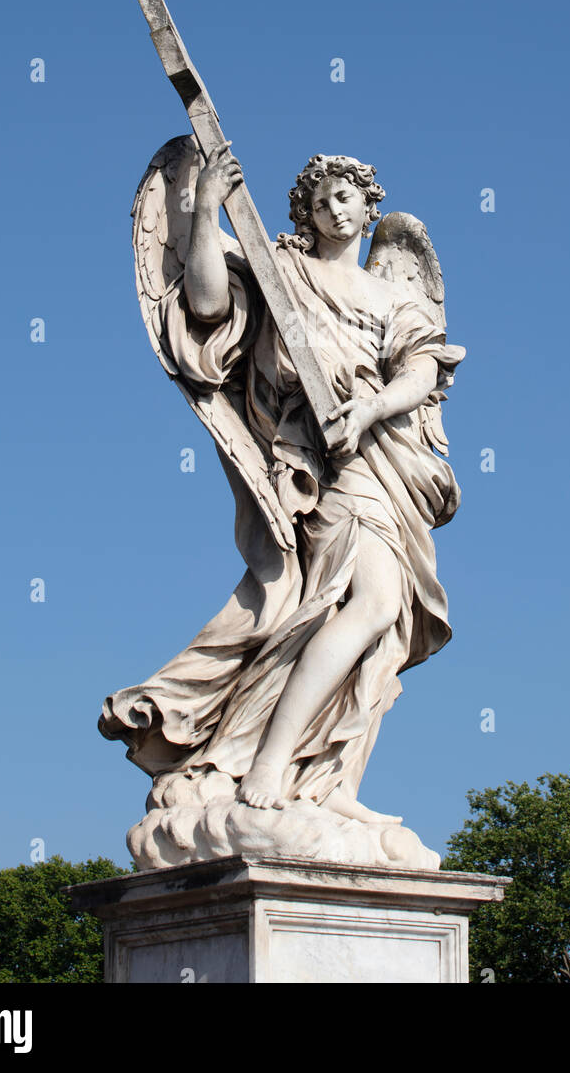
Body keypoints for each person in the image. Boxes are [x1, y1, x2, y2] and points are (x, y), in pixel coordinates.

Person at [100, 143, 464, 826]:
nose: (334, 207)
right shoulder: (282, 268)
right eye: (321, 198)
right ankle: (269, 762)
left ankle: (323, 780)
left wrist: (372, 408)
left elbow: (420, 372)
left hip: (384, 451)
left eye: (346, 196)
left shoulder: (391, 293)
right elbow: (207, 303)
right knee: (373, 602)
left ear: (368, 207)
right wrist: (207, 209)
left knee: (361, 624)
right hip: (320, 455)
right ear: (307, 211)